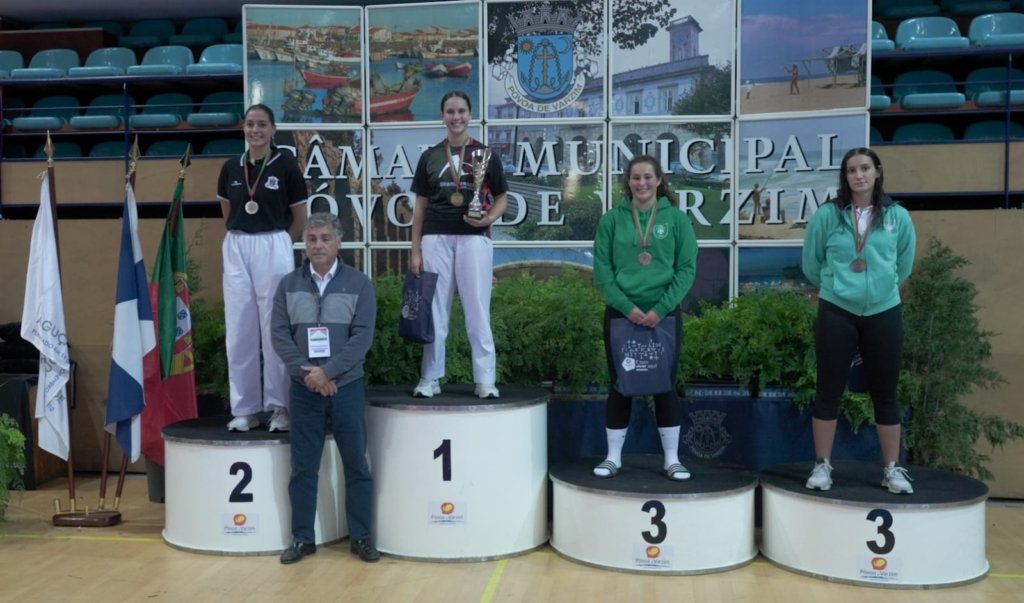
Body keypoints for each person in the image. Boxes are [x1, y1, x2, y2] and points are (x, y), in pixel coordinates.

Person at [801, 147, 917, 494]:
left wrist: (881, 289)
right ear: (845, 176)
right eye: (852, 170)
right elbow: (812, 262)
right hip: (837, 309)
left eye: (865, 168)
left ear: (877, 171)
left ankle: (892, 469)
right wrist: (835, 286)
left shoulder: (897, 216)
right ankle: (822, 465)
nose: (859, 175)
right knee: (828, 390)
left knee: (886, 392)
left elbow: (904, 264)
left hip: (884, 310)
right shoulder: (828, 215)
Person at [270, 212, 379, 564]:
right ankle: (302, 539)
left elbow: (361, 338)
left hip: (347, 387)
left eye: (325, 238)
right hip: (304, 390)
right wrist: (310, 375)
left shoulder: (359, 284)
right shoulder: (288, 284)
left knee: (357, 465)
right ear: (304, 243)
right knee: (303, 467)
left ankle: (361, 537)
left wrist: (328, 372)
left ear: (338, 243)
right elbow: (279, 335)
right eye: (312, 238)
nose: (318, 245)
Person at [592, 155, 698, 480]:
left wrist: (661, 309)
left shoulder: (677, 220)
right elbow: (602, 272)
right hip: (621, 314)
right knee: (620, 385)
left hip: (663, 315)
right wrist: (627, 307)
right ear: (628, 182)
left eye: (648, 177)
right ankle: (613, 458)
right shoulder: (611, 220)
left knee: (665, 385)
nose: (642, 183)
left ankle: (672, 460)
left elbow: (686, 269)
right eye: (636, 177)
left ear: (659, 180)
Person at [409, 91, 508, 399]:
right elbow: (420, 208)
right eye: (450, 111)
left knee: (477, 310)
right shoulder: (430, 156)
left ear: (470, 114)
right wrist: (415, 251)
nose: (456, 117)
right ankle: (430, 378)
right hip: (435, 237)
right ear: (442, 116)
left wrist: (488, 217)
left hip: (475, 239)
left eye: (461, 111)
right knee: (435, 311)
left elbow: (502, 198)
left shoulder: (486, 154)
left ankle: (485, 380)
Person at [218, 104, 307, 432]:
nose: (255, 130)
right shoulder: (231, 167)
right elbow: (227, 210)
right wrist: (243, 235)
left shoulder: (286, 166)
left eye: (261, 124)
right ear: (244, 128)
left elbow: (299, 216)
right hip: (238, 244)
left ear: (273, 129)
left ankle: (280, 407)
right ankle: (245, 409)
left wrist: (281, 244)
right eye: (250, 124)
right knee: (239, 329)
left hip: (274, 243)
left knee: (275, 328)